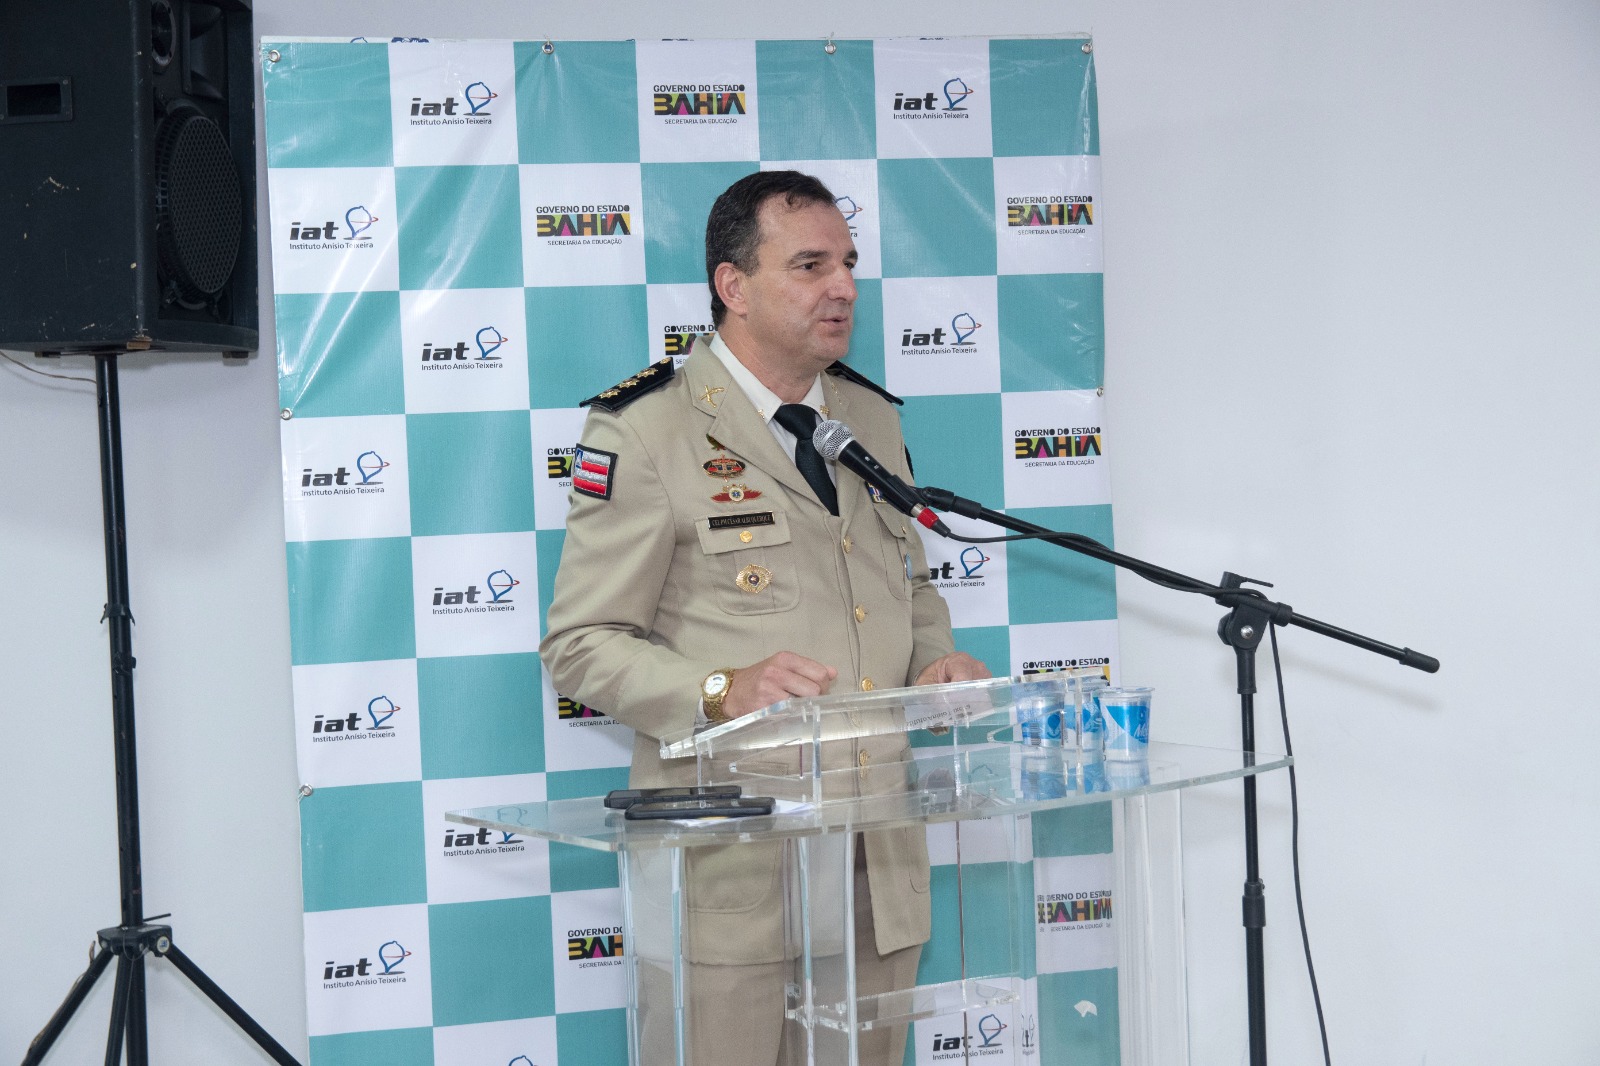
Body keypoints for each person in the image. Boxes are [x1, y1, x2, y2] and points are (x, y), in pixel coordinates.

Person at [540, 170, 988, 1066]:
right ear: (733, 286)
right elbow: (581, 645)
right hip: (731, 875)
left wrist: (935, 662)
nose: (844, 286)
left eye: (849, 263)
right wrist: (720, 688)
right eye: (811, 265)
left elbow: (908, 585)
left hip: (874, 865)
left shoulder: (868, 418)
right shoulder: (646, 428)